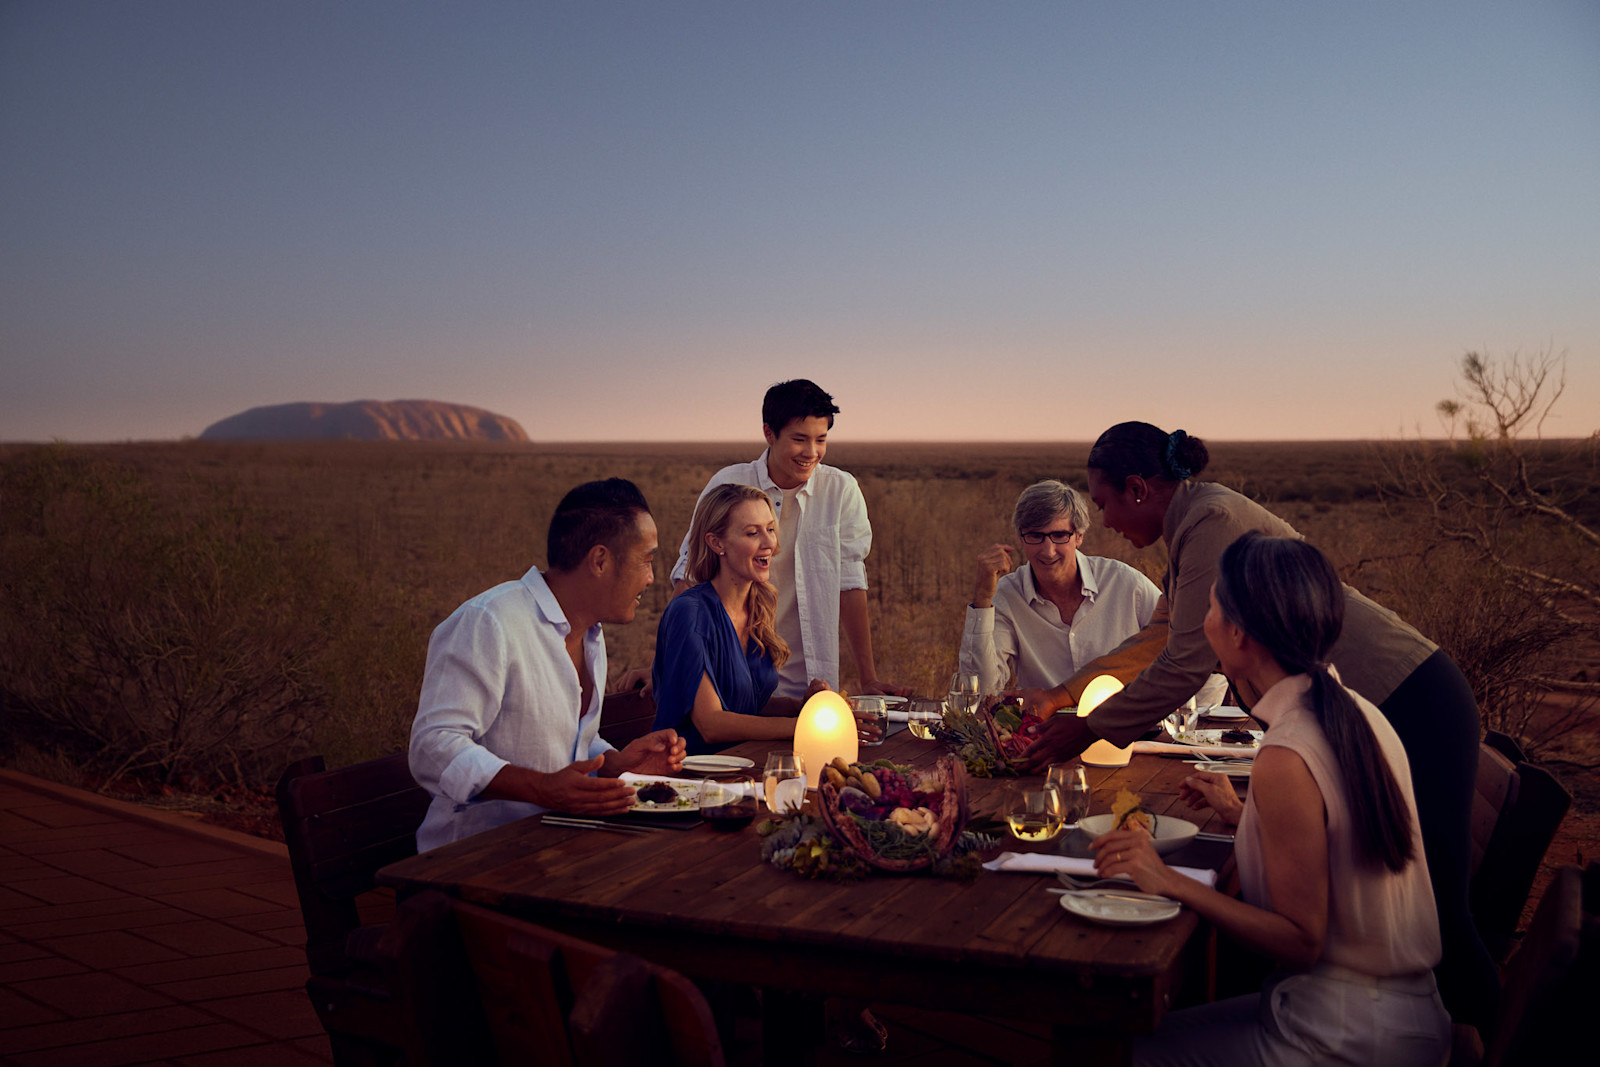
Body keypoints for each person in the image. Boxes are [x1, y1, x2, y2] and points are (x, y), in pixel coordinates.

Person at [1020, 422, 1496, 1028]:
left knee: (1444, 909)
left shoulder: (1211, 523)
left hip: (1407, 696)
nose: (1106, 521)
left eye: (1105, 502)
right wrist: (1063, 695)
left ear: (1138, 488)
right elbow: (1161, 635)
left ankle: (1484, 1037)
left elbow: (1184, 661)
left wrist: (1087, 729)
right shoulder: (1192, 526)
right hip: (1372, 701)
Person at [1094, 533, 1451, 1065]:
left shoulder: (1286, 753)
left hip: (1346, 1036)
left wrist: (1163, 877)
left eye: (1211, 609)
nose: (1204, 623)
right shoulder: (1356, 711)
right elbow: (1340, 846)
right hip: (1396, 1012)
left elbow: (1300, 940)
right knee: (1126, 1039)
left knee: (1111, 1055)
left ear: (1238, 634)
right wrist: (1244, 815)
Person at [409, 478, 686, 852]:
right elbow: (432, 746)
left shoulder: (589, 632)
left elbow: (567, 745)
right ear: (600, 560)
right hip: (473, 857)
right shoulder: (489, 622)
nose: (652, 578)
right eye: (647, 560)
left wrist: (616, 764)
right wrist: (541, 788)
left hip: (559, 847)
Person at [669, 379, 907, 697]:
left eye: (821, 440)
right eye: (799, 439)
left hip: (811, 683)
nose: (812, 452)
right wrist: (664, 666)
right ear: (769, 433)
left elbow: (850, 585)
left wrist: (869, 679)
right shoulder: (729, 483)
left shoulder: (841, 490)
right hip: (731, 680)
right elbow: (691, 574)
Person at [651, 484, 824, 754]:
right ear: (716, 543)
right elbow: (711, 724)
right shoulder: (689, 613)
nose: (769, 543)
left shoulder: (758, 605)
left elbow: (744, 705)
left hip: (744, 762)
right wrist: (806, 727)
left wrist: (804, 708)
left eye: (770, 529)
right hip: (691, 770)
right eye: (752, 533)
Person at [959, 479, 1160, 694]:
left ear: (1079, 536)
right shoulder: (1007, 595)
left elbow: (1179, 647)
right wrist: (982, 599)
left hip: (1122, 714)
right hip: (1040, 717)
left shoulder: (1126, 584)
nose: (1048, 551)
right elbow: (981, 690)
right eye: (1035, 536)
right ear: (1020, 538)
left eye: (1059, 535)